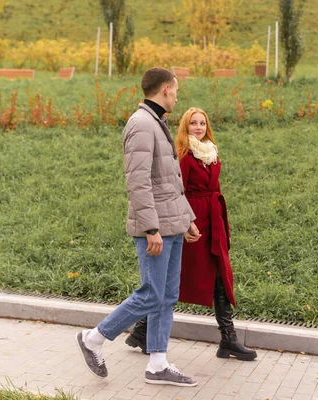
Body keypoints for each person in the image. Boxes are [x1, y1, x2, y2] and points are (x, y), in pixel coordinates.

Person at [75, 67, 202, 387]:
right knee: (150, 294)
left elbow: (169, 182)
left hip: (171, 225)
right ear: (164, 90)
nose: (177, 95)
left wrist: (186, 219)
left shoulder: (157, 123)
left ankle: (157, 364)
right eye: (175, 90)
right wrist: (150, 229)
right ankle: (93, 338)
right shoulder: (142, 124)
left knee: (166, 296)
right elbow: (138, 182)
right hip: (155, 229)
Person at [125, 107, 258, 361]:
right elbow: (177, 193)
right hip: (190, 223)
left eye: (202, 123)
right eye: (193, 124)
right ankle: (142, 329)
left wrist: (221, 221)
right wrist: (186, 223)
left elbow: (215, 187)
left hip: (213, 223)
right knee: (171, 279)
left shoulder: (212, 154)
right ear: (185, 128)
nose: (199, 127)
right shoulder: (184, 156)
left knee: (220, 275)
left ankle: (227, 338)